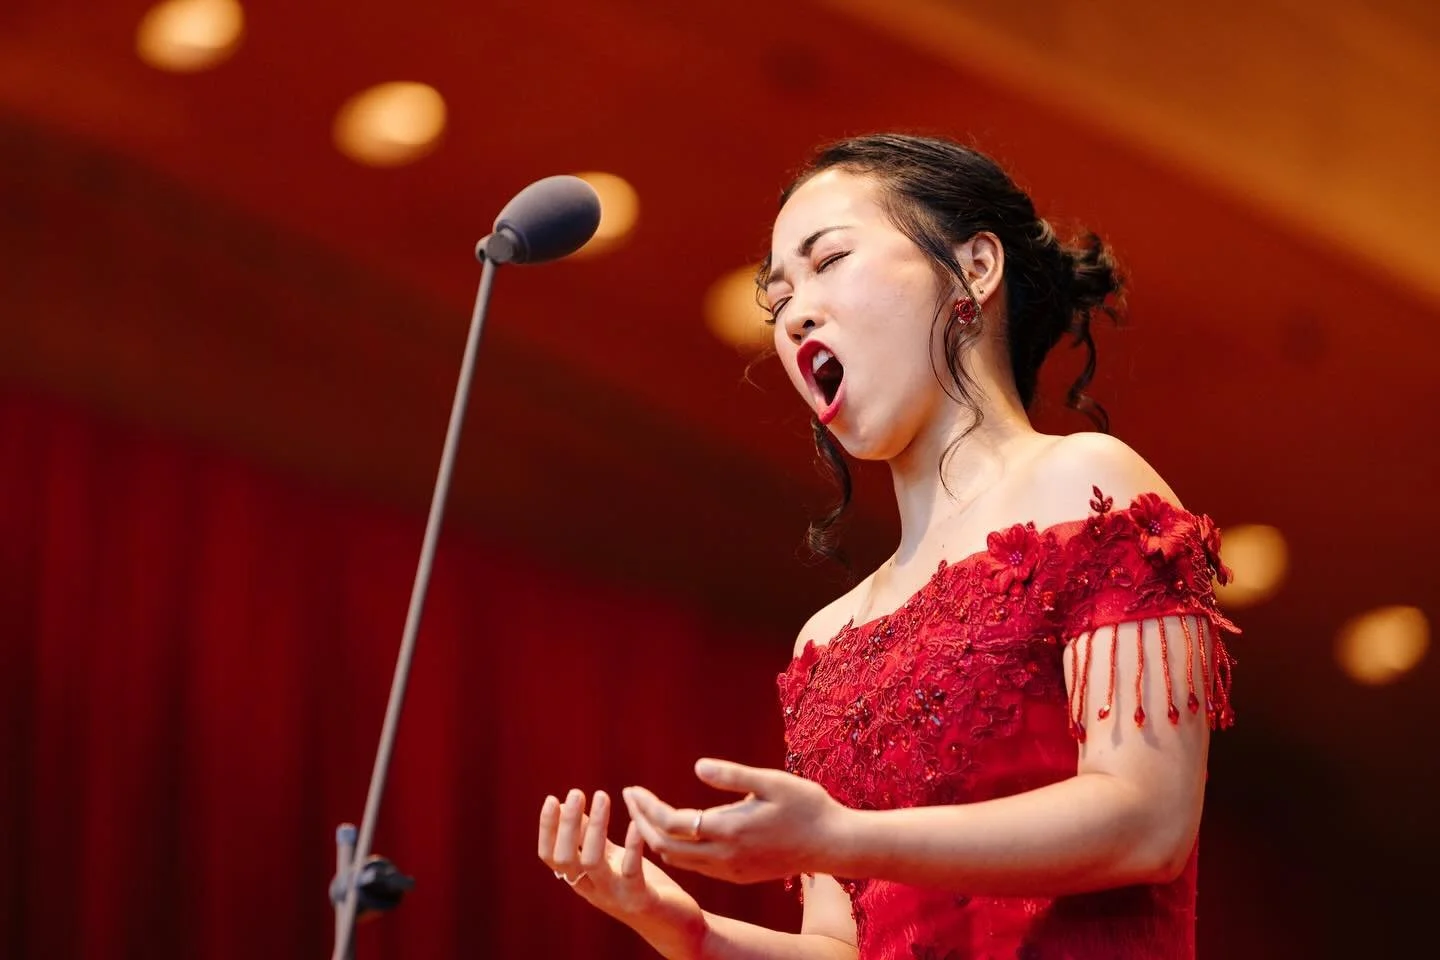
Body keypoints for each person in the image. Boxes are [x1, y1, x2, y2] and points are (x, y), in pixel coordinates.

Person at [537, 133, 1238, 959]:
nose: (794, 313)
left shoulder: (1088, 483)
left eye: (830, 260)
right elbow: (842, 947)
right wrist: (687, 930)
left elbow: (1147, 822)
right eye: (778, 298)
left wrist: (842, 836)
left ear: (975, 268)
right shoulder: (827, 639)